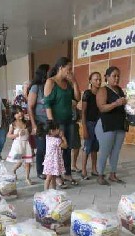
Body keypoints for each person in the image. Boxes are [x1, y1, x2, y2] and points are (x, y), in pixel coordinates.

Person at [44, 57, 81, 187]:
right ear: (61, 68)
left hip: (69, 120)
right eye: (68, 69)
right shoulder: (51, 82)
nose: (70, 71)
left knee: (67, 146)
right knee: (57, 149)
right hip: (57, 122)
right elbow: (47, 104)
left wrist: (75, 82)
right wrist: (52, 125)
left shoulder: (68, 83)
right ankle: (57, 176)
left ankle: (67, 173)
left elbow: (77, 98)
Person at [95, 66, 128, 186]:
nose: (117, 78)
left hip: (119, 124)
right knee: (105, 151)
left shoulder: (119, 90)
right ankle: (100, 175)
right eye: (114, 76)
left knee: (116, 151)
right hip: (106, 124)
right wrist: (115, 103)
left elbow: (123, 105)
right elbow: (102, 107)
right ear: (107, 77)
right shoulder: (103, 90)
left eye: (118, 76)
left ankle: (113, 174)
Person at [27, 64, 50, 181]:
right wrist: (34, 125)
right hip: (39, 123)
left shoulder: (50, 86)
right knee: (41, 148)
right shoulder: (36, 87)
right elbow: (30, 107)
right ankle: (40, 171)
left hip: (49, 122)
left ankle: (48, 169)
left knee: (49, 148)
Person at [81, 72, 102, 180]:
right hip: (89, 123)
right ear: (90, 81)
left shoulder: (102, 93)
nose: (98, 81)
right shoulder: (87, 94)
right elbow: (83, 112)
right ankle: (84, 169)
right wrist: (84, 127)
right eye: (95, 79)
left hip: (99, 124)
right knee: (87, 147)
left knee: (95, 147)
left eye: (99, 79)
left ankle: (94, 169)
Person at [6, 105, 34, 184]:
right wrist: (17, 134)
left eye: (20, 111)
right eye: (17, 113)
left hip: (26, 144)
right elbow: (8, 135)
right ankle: (14, 170)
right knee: (19, 161)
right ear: (13, 115)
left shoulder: (26, 122)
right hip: (18, 145)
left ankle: (27, 178)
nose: (20, 114)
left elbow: (30, 131)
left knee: (28, 162)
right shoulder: (13, 124)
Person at [43, 120, 67, 190]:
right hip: (53, 162)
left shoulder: (48, 137)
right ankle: (46, 192)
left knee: (52, 177)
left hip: (49, 161)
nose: (59, 130)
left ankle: (53, 191)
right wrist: (63, 137)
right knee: (49, 178)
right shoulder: (56, 140)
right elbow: (65, 146)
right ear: (51, 131)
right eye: (57, 128)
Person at [70, 100, 82, 173]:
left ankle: (73, 165)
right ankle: (64, 166)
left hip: (74, 122)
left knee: (76, 146)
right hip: (64, 121)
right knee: (64, 146)